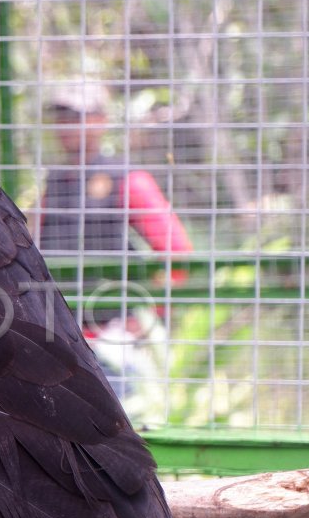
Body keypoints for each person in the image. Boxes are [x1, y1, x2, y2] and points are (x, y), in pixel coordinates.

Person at [38, 81, 193, 398]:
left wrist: (149, 316)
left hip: (113, 340)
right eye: (62, 117)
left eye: (77, 116)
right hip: (62, 338)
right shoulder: (55, 181)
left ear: (100, 121)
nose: (67, 126)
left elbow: (177, 253)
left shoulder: (127, 178)